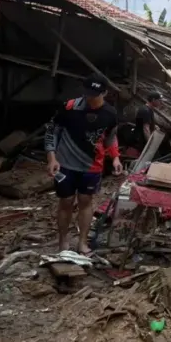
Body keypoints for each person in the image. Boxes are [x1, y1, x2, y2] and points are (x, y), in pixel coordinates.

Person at [44, 74, 122, 253]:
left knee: (86, 201)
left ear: (104, 93)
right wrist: (51, 157)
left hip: (92, 165)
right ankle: (63, 241)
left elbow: (110, 137)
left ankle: (82, 242)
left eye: (95, 95)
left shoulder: (109, 114)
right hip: (65, 164)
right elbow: (52, 131)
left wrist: (115, 157)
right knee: (66, 201)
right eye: (87, 94)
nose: (90, 99)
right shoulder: (70, 107)